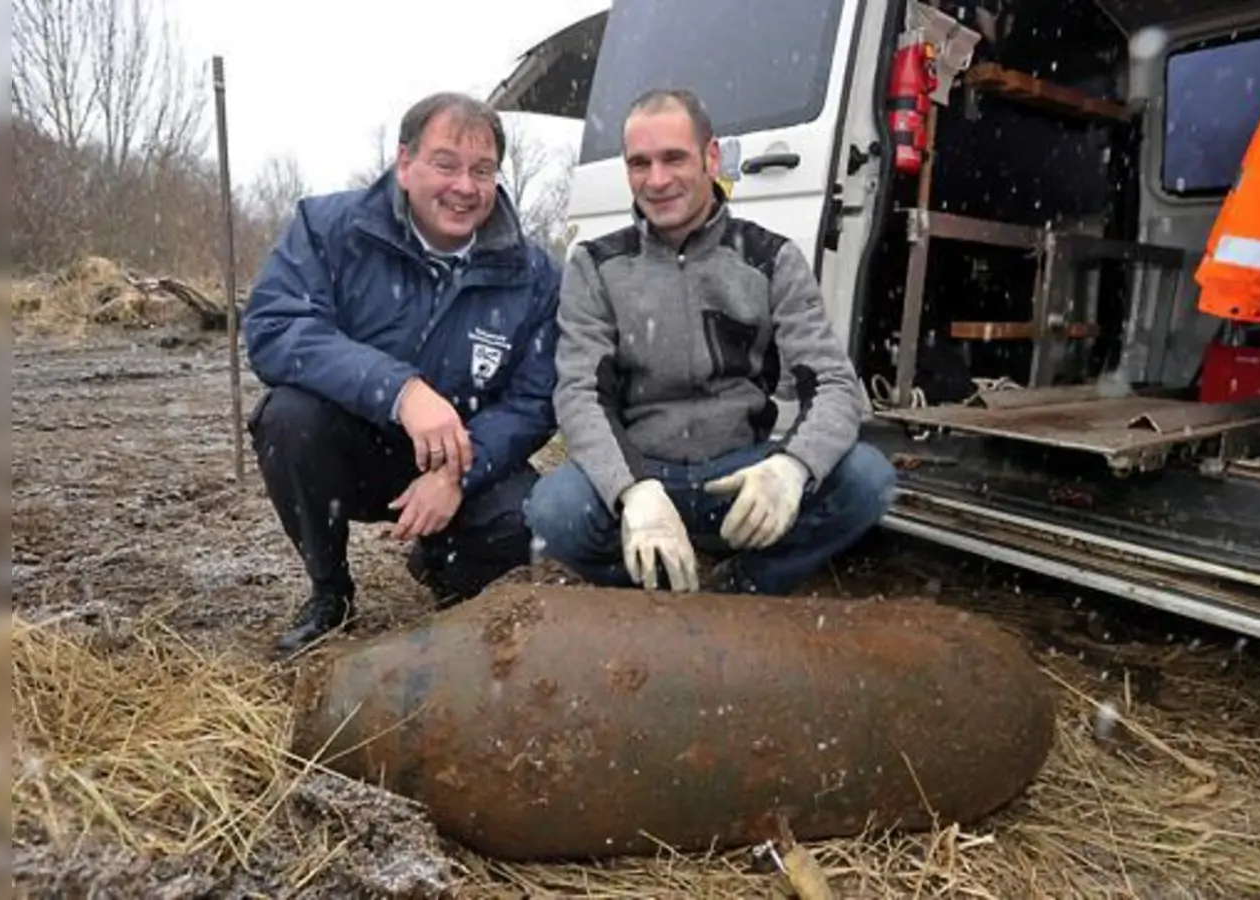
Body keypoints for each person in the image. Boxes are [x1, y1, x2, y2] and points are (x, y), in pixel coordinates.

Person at [525, 88, 896, 595]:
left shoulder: (772, 257)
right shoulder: (594, 265)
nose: (656, 180)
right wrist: (631, 490)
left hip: (739, 471)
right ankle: (655, 587)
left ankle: (740, 588)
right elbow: (578, 395)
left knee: (868, 481)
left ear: (711, 158)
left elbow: (834, 383)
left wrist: (791, 468)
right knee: (554, 510)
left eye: (674, 157)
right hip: (646, 471)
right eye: (640, 163)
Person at [243, 92, 561, 656]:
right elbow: (276, 327)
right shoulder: (328, 228)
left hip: (458, 456)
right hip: (353, 448)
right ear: (404, 161)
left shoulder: (534, 275)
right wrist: (399, 392)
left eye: (482, 170)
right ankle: (329, 591)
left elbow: (534, 400)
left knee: (532, 524)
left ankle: (441, 565)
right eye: (446, 164)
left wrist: (459, 474)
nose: (465, 187)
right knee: (288, 420)